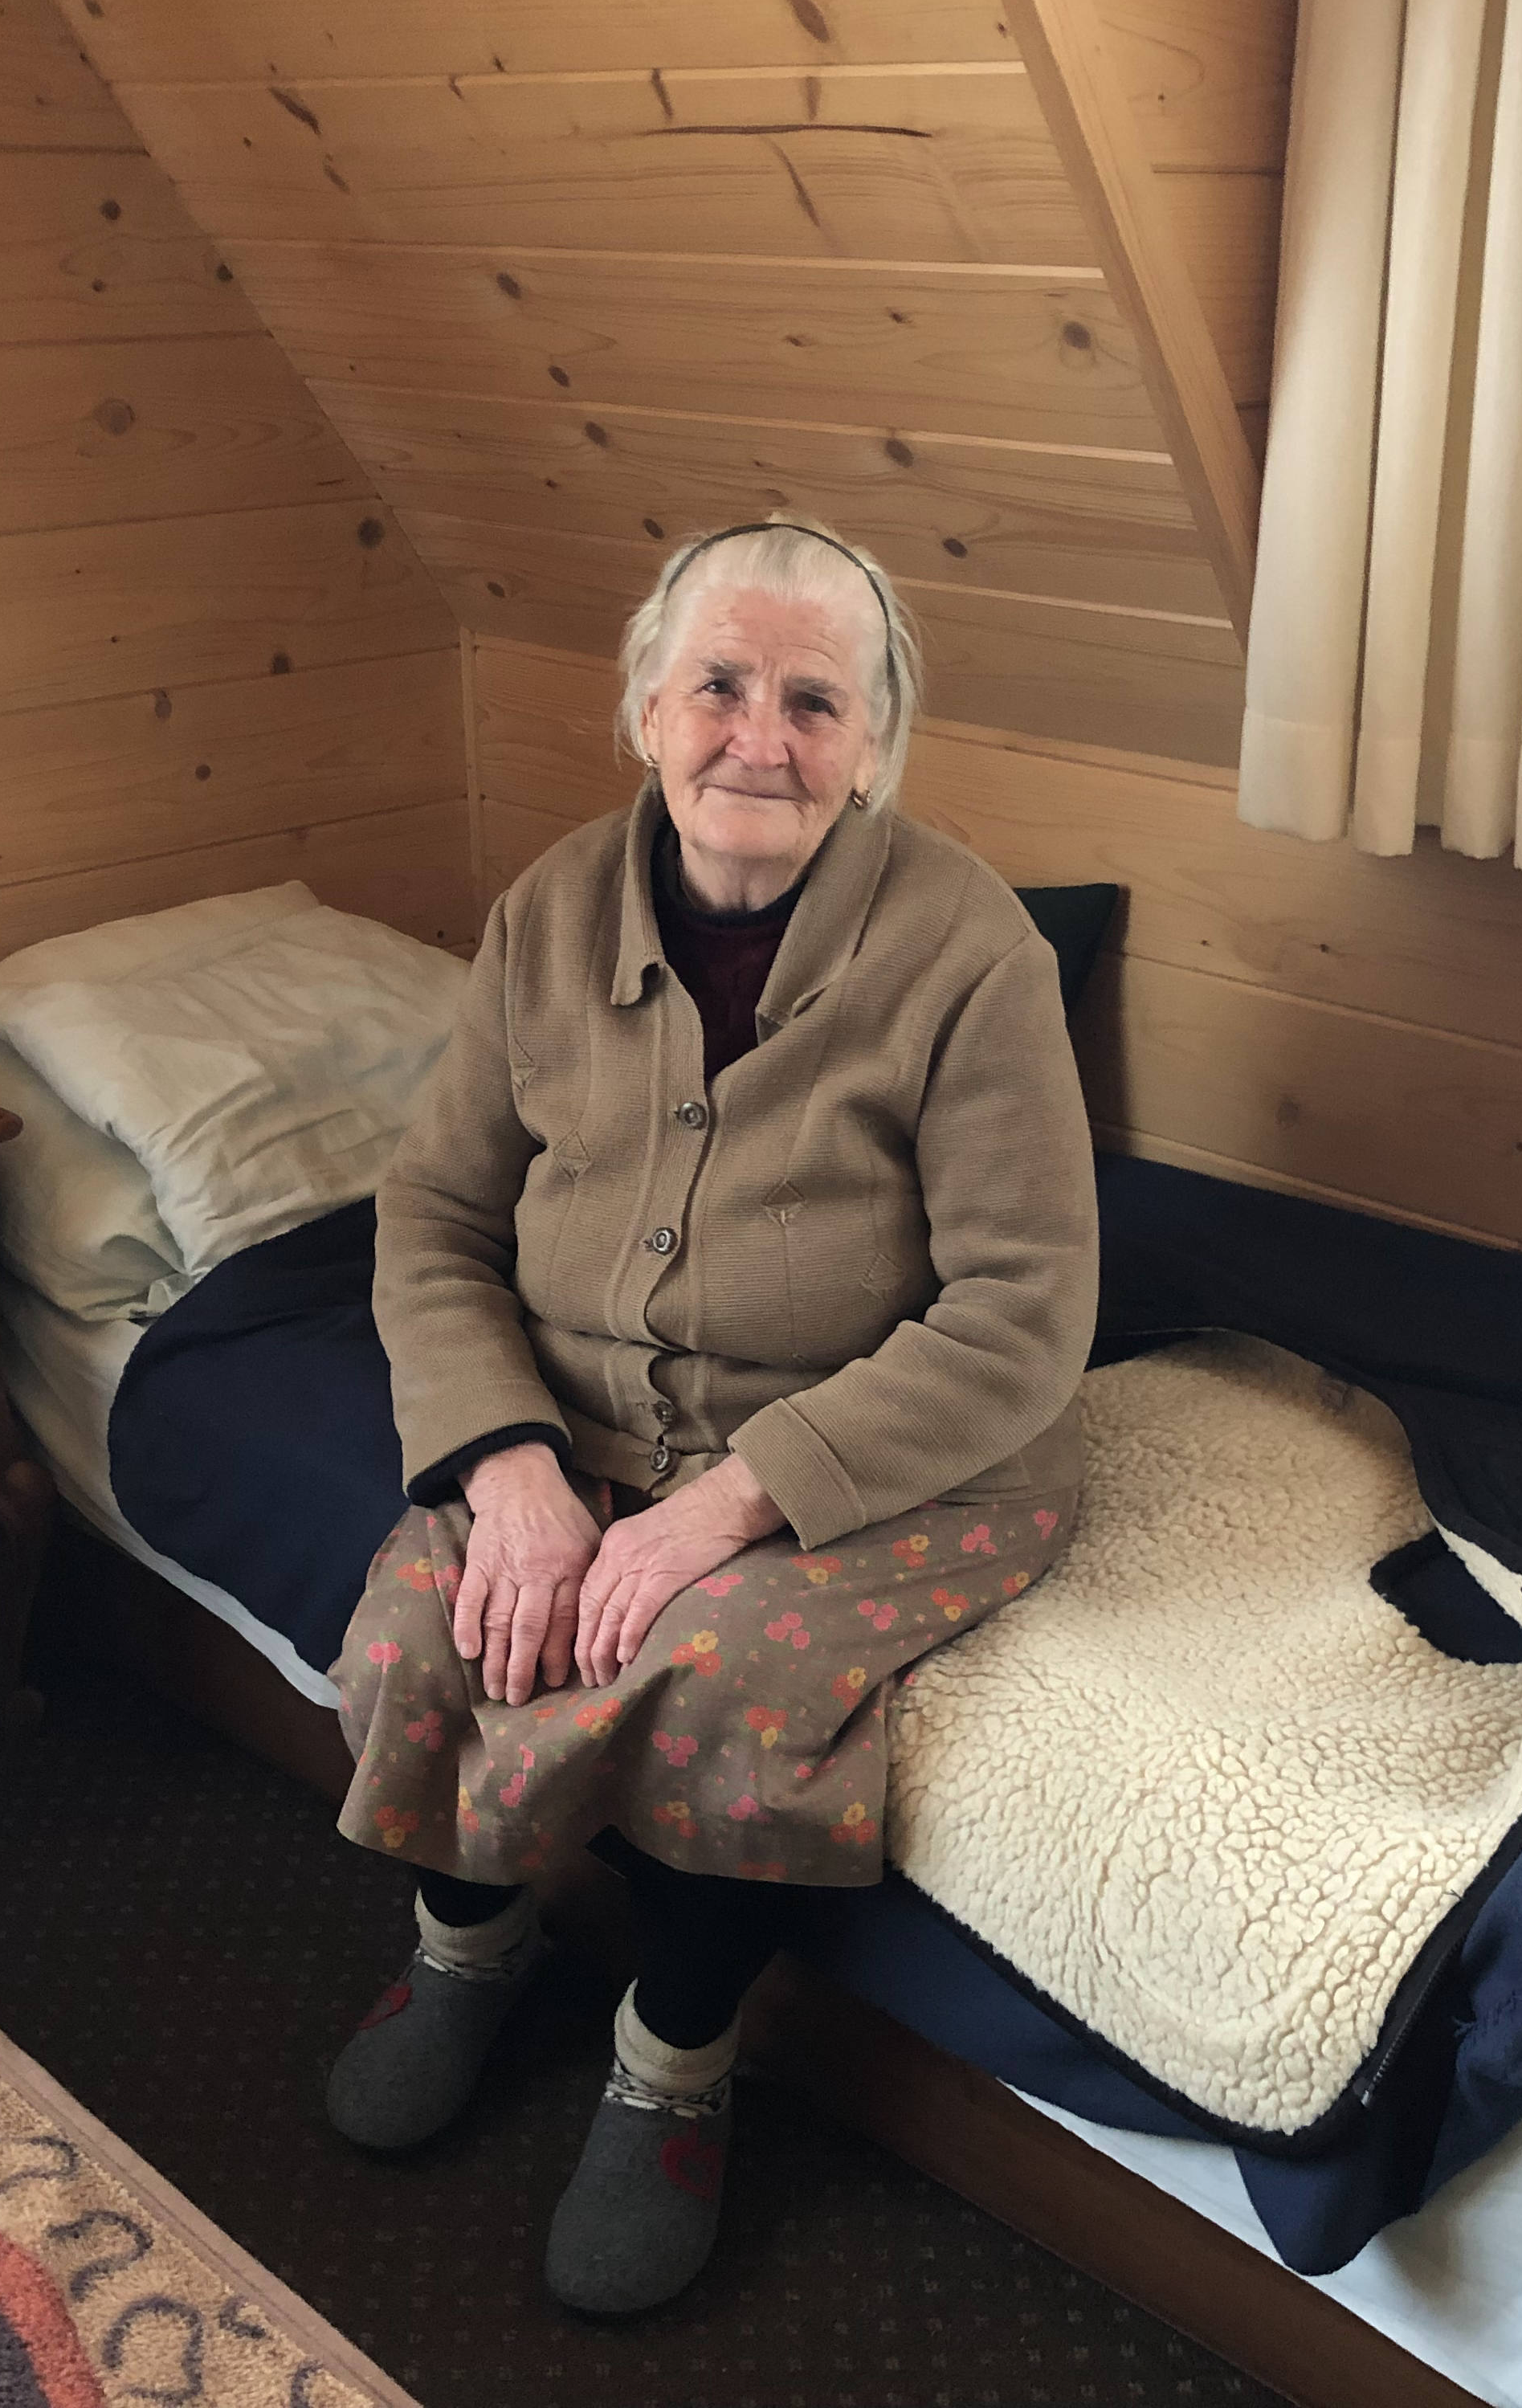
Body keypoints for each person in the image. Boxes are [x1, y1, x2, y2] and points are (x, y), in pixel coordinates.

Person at [326, 516, 1100, 2313]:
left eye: (815, 702)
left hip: (886, 1446)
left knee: (718, 1679)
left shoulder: (972, 948)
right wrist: (513, 1466)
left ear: (876, 746)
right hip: (572, 1410)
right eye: (722, 686)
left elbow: (1026, 1308)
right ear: (644, 708)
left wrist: (729, 1506)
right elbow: (433, 1218)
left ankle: (672, 2061)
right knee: (436, 1619)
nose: (762, 735)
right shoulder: (546, 914)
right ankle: (467, 1940)